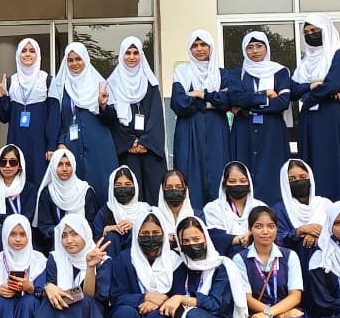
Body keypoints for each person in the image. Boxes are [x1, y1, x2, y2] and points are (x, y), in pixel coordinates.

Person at [32, 215, 111, 318]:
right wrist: (48, 286)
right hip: (63, 308)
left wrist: (90, 267)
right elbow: (48, 286)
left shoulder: (103, 260)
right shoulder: (55, 258)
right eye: (64, 235)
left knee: (84, 302)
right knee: (50, 302)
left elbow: (93, 296)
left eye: (75, 234)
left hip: (90, 313)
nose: (69, 240)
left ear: (85, 233)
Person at [290, 15, 340, 202]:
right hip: (308, 119)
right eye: (307, 32)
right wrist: (312, 87)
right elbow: (292, 90)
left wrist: (309, 96)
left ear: (326, 30)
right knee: (310, 165)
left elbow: (334, 83)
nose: (311, 34)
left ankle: (336, 208)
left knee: (332, 163)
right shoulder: (305, 62)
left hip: (330, 116)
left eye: (315, 30)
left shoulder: (337, 55)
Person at [224, 31, 291, 204]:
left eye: (259, 46)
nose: (255, 51)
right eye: (250, 47)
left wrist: (248, 105)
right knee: (242, 172)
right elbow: (235, 98)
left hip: (272, 130)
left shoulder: (280, 71)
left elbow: (283, 102)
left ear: (267, 48)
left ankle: (272, 215)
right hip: (243, 130)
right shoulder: (238, 73)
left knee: (273, 173)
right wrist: (265, 95)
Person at [46, 43, 118, 202]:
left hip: (99, 146)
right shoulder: (60, 86)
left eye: (78, 59)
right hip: (72, 146)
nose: (75, 63)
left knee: (103, 187)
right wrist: (60, 142)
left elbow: (112, 119)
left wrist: (103, 106)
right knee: (77, 192)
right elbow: (57, 119)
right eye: (70, 60)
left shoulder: (99, 84)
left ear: (85, 59)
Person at [170, 30, 231, 202]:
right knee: (189, 175)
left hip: (216, 130)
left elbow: (226, 102)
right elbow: (178, 103)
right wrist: (210, 103)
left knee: (219, 173)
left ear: (211, 47)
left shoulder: (222, 74)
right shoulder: (182, 71)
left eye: (203, 44)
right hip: (189, 130)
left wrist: (198, 94)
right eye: (195, 45)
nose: (199, 49)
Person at [106, 36, 167, 203]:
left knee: (154, 194)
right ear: (121, 55)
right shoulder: (112, 84)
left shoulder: (150, 84)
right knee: (130, 193)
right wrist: (130, 142)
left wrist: (145, 142)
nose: (132, 57)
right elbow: (112, 119)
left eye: (135, 53)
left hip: (150, 150)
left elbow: (156, 116)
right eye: (128, 53)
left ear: (141, 55)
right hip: (128, 151)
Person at [0, 38, 51, 184]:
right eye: (23, 51)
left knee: (40, 181)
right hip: (17, 139)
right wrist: (2, 97)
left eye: (32, 51)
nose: (27, 54)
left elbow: (54, 117)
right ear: (18, 55)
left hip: (40, 143)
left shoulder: (47, 81)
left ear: (38, 55)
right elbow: (3, 117)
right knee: (18, 179)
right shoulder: (11, 82)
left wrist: (52, 145)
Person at [33, 147, 99, 250]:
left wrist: (76, 236)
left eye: (68, 164)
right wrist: (64, 235)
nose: (64, 169)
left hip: (83, 242)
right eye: (59, 164)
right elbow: (45, 226)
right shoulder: (47, 193)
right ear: (53, 167)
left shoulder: (85, 191)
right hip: (56, 243)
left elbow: (92, 222)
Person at [272, 158, 331, 269]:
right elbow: (275, 239)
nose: (298, 181)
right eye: (292, 179)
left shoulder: (325, 204)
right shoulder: (279, 209)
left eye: (303, 177)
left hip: (325, 266)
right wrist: (298, 232)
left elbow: (336, 232)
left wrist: (318, 235)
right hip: (292, 265)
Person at [202, 161, 265, 258]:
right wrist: (239, 239)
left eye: (243, 181)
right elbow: (215, 237)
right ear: (224, 184)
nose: (238, 184)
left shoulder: (261, 207)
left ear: (249, 183)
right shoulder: (212, 208)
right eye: (232, 181)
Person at [0, 144, 35, 253]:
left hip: (21, 233)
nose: (7, 166)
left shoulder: (28, 188)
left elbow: (26, 217)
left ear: (20, 165)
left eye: (12, 162)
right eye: (3, 162)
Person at [95, 166, 150, 256]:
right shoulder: (104, 212)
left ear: (135, 186)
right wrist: (106, 230)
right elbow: (95, 244)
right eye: (118, 185)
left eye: (128, 184)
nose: (123, 189)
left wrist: (135, 227)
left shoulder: (145, 210)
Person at [155, 169, 195, 252]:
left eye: (179, 187)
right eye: (169, 187)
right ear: (162, 190)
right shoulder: (153, 216)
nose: (174, 191)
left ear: (185, 190)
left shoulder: (197, 215)